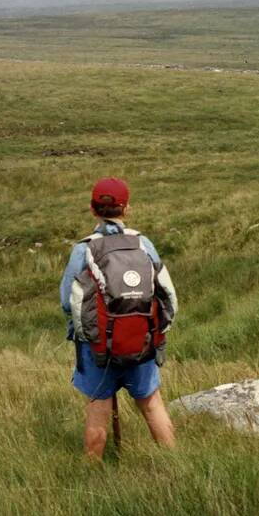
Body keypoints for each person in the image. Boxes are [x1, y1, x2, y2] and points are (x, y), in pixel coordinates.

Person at [59, 177, 178, 459]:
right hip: (142, 341)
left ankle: (92, 477)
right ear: (127, 209)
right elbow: (165, 294)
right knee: (152, 406)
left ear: (92, 209)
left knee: (98, 411)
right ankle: (175, 467)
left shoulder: (83, 250)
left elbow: (67, 301)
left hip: (98, 347)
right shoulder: (143, 244)